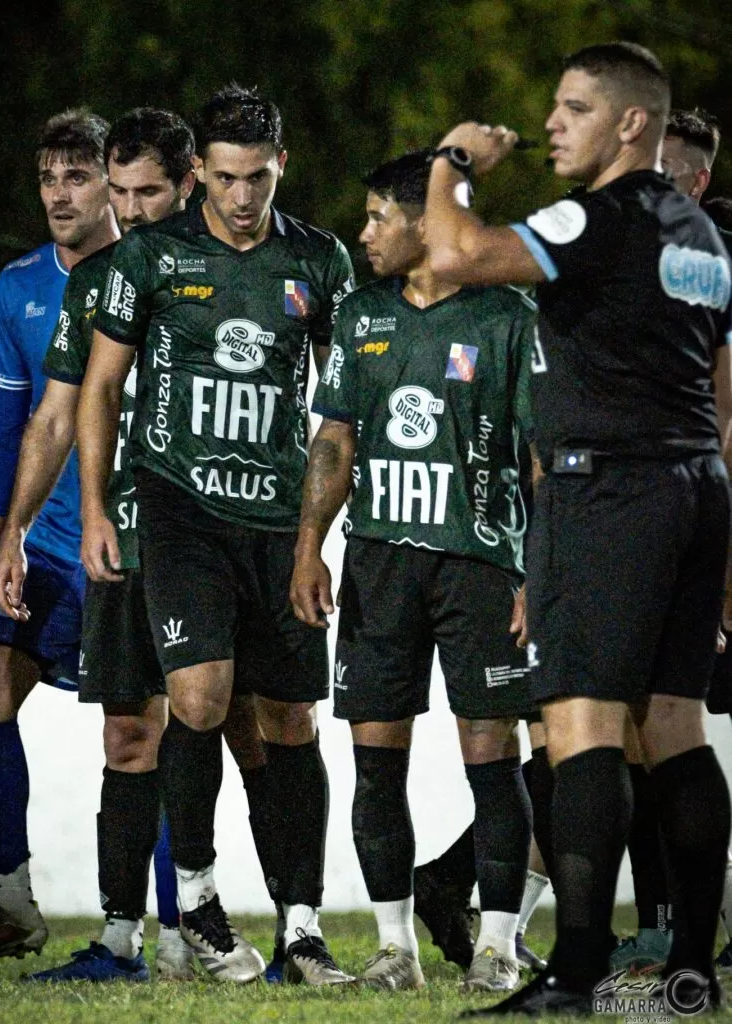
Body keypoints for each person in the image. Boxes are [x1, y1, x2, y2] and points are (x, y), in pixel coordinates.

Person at [424, 42, 732, 1015]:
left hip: (607, 491)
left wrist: (451, 165)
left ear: (631, 123)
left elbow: (456, 253)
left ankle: (577, 971)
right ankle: (690, 957)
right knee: (674, 724)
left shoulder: (601, 215)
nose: (553, 122)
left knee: (581, 727)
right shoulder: (704, 236)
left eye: (574, 106)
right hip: (695, 484)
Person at [0, 106, 280, 984]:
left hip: (229, 541)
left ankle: (257, 919)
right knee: (128, 736)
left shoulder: (244, 267)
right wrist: (15, 530)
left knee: (249, 728)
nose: (131, 207)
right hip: (129, 538)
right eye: (118, 192)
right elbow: (51, 417)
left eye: (144, 191)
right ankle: (124, 939)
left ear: (185, 185)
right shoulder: (100, 283)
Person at [78, 84, 355, 986]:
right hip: (180, 507)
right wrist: (92, 508)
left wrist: (316, 537)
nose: (242, 197)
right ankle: (194, 901)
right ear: (199, 171)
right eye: (227, 177)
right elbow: (103, 389)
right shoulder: (150, 259)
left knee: (290, 719)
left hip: (280, 521)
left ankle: (302, 927)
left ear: (284, 168)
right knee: (195, 701)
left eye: (259, 179)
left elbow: (339, 414)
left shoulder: (322, 262)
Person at [291, 150, 536, 993]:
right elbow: (334, 439)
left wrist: (539, 570)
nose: (363, 234)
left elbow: (539, 458)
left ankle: (498, 948)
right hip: (378, 567)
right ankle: (395, 951)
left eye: (376, 218)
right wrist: (308, 545)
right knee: (375, 760)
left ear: (424, 223)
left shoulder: (510, 318)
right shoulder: (361, 316)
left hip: (479, 568)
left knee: (490, 756)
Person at [0, 109, 119, 973]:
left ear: (113, 183)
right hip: (40, 542)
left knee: (144, 730)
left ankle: (156, 924)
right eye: (48, 178)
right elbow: (7, 422)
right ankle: (9, 907)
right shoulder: (21, 286)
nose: (59, 193)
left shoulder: (150, 273)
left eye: (77, 176)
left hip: (130, 540)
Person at [610, 106, 723, 977]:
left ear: (700, 181)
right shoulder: (626, 266)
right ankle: (667, 937)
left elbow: (724, 416)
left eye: (675, 175)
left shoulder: (712, 267)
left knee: (666, 733)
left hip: (700, 519)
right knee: (651, 733)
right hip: (657, 518)